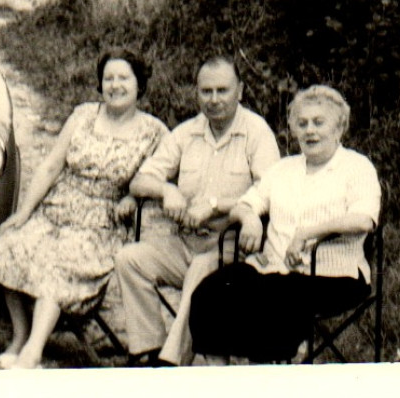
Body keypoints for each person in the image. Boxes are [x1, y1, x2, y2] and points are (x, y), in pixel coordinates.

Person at [0, 49, 166, 369]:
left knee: (60, 262)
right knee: (13, 241)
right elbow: (52, 165)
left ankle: (33, 352)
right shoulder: (83, 115)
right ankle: (21, 335)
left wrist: (134, 200)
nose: (115, 85)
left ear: (139, 83)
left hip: (103, 221)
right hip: (57, 208)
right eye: (108, 78)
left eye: (123, 77)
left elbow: (161, 177)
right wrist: (25, 212)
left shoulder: (154, 131)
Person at [188, 84, 380, 365]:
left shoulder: (357, 167)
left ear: (339, 128)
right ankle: (220, 377)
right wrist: (250, 218)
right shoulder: (282, 169)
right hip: (273, 267)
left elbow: (363, 218)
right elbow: (245, 204)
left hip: (333, 276)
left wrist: (308, 233)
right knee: (212, 291)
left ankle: (269, 372)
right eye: (302, 124)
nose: (309, 131)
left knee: (274, 300)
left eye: (318, 123)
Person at [115, 55, 281, 366]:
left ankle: (172, 361)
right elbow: (140, 181)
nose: (214, 100)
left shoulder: (257, 133)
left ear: (240, 91)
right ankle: (146, 349)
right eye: (207, 91)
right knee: (130, 259)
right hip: (184, 241)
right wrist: (167, 190)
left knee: (201, 270)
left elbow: (272, 192)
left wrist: (217, 205)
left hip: (231, 249)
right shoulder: (186, 133)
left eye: (223, 90)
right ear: (197, 93)